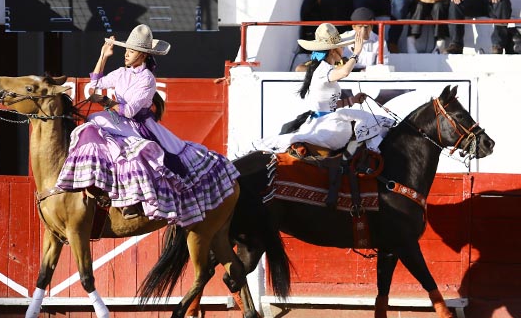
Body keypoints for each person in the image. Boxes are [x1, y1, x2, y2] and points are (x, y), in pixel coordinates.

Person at [56, 24, 240, 225]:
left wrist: (105, 101)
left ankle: (133, 202)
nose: (126, 54)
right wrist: (104, 56)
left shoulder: (147, 79)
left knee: (131, 151)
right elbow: (95, 85)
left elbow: (129, 111)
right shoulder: (121, 72)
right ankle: (97, 182)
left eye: (131, 51)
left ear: (143, 55)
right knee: (92, 125)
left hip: (138, 124)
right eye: (126, 50)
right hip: (119, 120)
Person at [257, 23, 395, 154]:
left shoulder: (321, 68)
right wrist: (356, 53)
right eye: (341, 46)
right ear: (333, 51)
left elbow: (329, 104)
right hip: (328, 126)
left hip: (325, 122)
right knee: (371, 121)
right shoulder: (324, 69)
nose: (343, 49)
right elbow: (344, 72)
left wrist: (352, 100)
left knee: (366, 120)